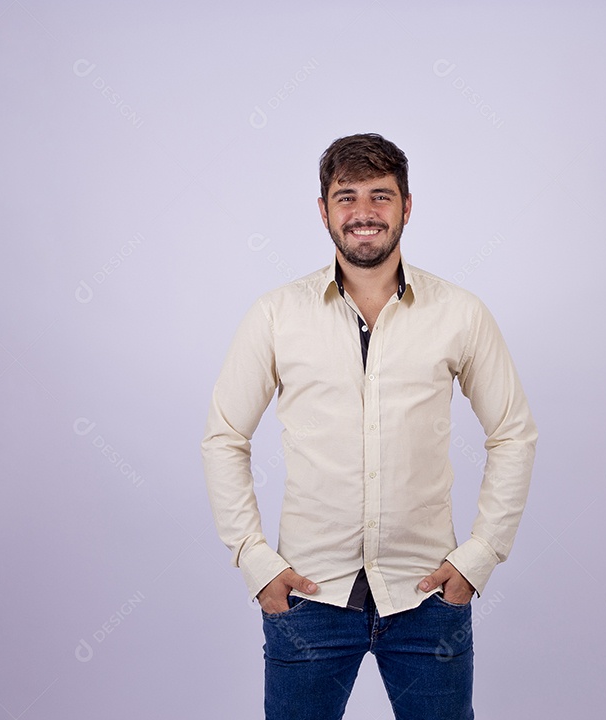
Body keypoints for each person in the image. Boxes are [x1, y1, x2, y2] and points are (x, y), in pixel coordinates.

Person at [202, 133, 537, 720]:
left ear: (407, 206)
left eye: (380, 196)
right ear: (324, 210)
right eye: (346, 196)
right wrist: (256, 561)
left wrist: (480, 556)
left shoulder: (459, 313)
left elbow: (512, 433)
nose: (363, 213)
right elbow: (225, 437)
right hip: (307, 598)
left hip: (428, 597)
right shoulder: (276, 315)